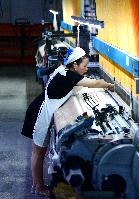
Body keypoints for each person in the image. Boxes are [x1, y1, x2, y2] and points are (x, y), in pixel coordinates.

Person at [21, 47, 114, 196]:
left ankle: (36, 185)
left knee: (38, 152)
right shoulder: (70, 76)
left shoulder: (63, 70)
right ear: (75, 65)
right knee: (38, 153)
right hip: (39, 113)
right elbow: (94, 84)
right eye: (84, 66)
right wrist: (110, 85)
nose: (85, 69)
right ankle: (38, 187)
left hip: (39, 108)